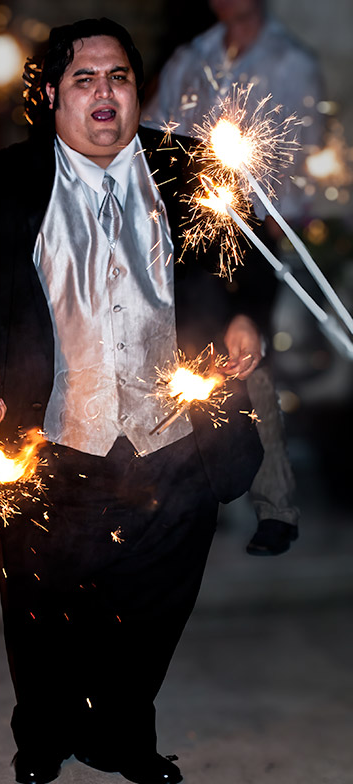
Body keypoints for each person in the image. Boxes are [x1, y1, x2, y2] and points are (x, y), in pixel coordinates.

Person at [0, 18, 263, 784]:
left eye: (120, 79)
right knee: (41, 604)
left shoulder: (186, 169)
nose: (106, 94)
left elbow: (240, 261)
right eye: (85, 80)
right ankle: (44, 732)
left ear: (137, 91)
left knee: (154, 604)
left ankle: (124, 734)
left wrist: (240, 314)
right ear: (50, 96)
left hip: (173, 442)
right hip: (50, 437)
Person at [142, 0, 325, 556]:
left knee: (247, 357)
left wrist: (274, 223)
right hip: (192, 228)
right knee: (186, 355)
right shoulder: (190, 56)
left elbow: (302, 150)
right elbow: (150, 128)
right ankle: (199, 495)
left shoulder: (289, 61)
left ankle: (274, 505)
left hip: (262, 230)